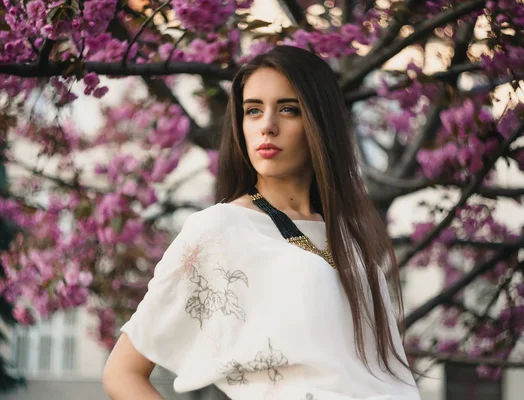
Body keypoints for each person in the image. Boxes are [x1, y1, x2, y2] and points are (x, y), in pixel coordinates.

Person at [103, 45, 421, 400]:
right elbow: (123, 372)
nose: (267, 126)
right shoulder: (220, 229)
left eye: (288, 109)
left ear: (320, 122)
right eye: (253, 110)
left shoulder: (349, 237)